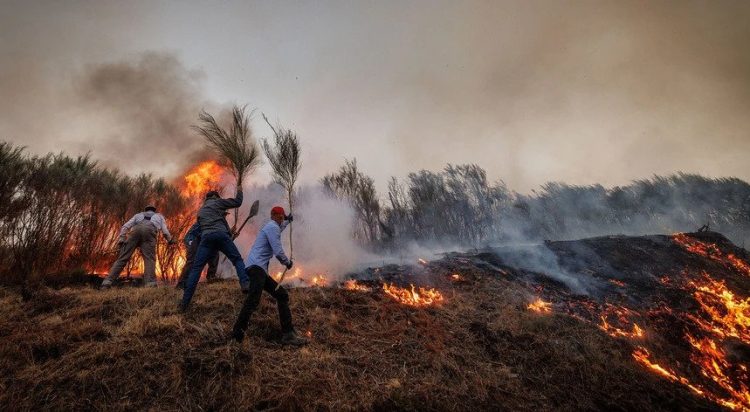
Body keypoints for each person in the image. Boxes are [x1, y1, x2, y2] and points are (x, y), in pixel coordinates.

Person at [231, 206, 308, 346]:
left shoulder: (274, 226)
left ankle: (288, 334)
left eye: (282, 217)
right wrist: (287, 263)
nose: (281, 219)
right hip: (256, 269)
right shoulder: (272, 227)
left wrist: (288, 221)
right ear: (273, 215)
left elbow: (280, 227)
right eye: (279, 217)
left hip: (259, 270)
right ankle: (236, 335)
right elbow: (278, 251)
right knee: (253, 300)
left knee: (282, 295)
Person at [179, 184, 250, 312]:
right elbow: (238, 202)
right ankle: (245, 283)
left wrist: (231, 234)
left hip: (206, 239)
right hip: (220, 236)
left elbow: (206, 228)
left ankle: (184, 303)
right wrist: (239, 190)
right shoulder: (218, 203)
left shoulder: (201, 211)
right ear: (216, 197)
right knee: (237, 260)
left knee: (196, 269)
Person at [101, 205, 175, 289]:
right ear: (154, 211)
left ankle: (107, 283)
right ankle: (150, 284)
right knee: (149, 259)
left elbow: (125, 226)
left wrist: (122, 238)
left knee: (122, 258)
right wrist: (170, 240)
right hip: (149, 234)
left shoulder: (138, 215)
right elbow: (165, 231)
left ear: (145, 210)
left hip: (134, 233)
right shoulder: (159, 216)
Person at [175, 220, 220, 289]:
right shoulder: (205, 220)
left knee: (215, 255)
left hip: (205, 241)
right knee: (191, 262)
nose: (224, 216)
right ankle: (182, 283)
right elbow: (194, 234)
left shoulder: (219, 223)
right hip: (193, 241)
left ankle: (211, 278)